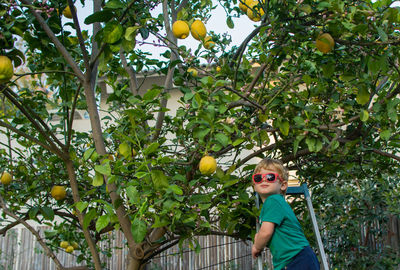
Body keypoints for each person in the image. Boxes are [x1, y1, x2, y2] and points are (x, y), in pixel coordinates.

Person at [251, 158, 320, 270]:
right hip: (295, 259)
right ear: (254, 185)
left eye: (270, 177)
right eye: (258, 178)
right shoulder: (275, 203)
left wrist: (256, 245)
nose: (264, 180)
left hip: (297, 258)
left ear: (283, 185)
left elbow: (266, 232)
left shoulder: (273, 201)